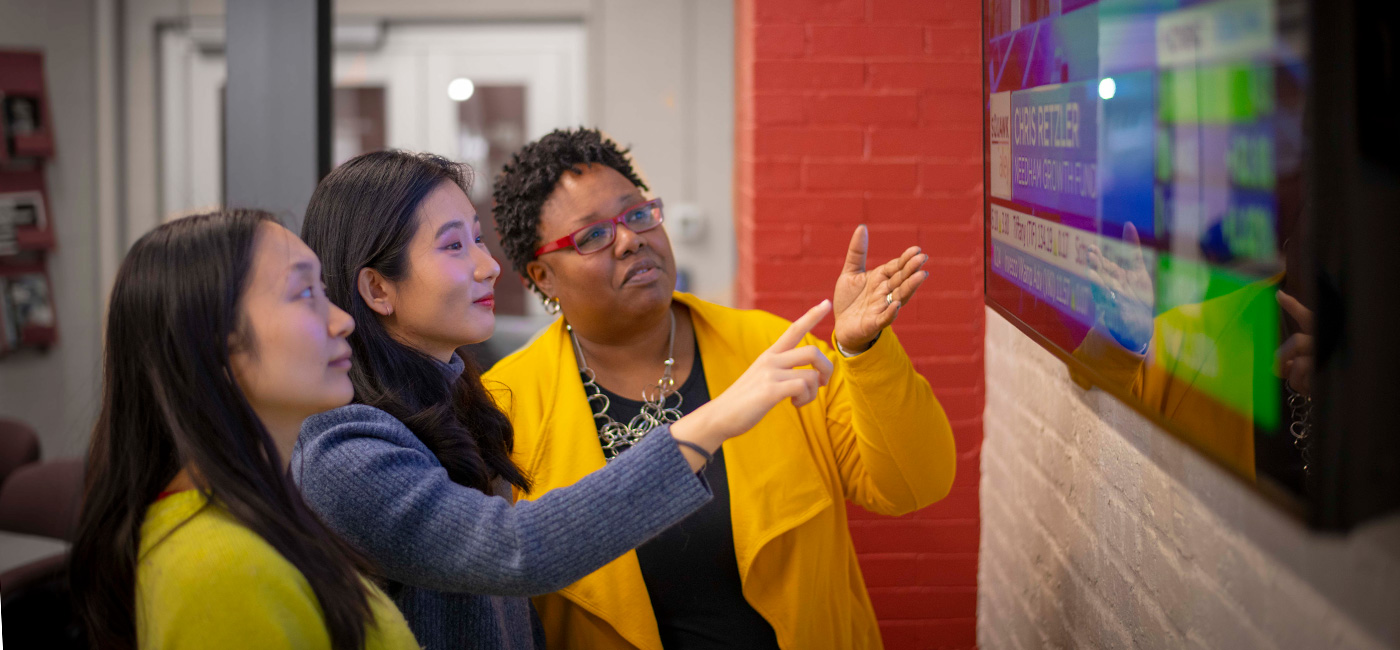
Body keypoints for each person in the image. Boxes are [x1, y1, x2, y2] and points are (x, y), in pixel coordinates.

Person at [294, 150, 833, 650]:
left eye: (479, 240)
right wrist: (710, 422)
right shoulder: (344, 450)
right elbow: (517, 551)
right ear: (377, 289)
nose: (488, 266)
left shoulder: (460, 404)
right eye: (454, 246)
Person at [485, 127, 958, 650]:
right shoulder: (506, 405)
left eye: (637, 213)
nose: (630, 238)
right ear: (542, 275)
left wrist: (863, 354)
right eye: (592, 235)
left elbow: (916, 484)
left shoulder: (769, 350)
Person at [70, 210, 419, 650]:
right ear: (216, 343)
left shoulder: (257, 507)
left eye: (324, 290)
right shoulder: (216, 566)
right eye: (305, 293)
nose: (342, 320)